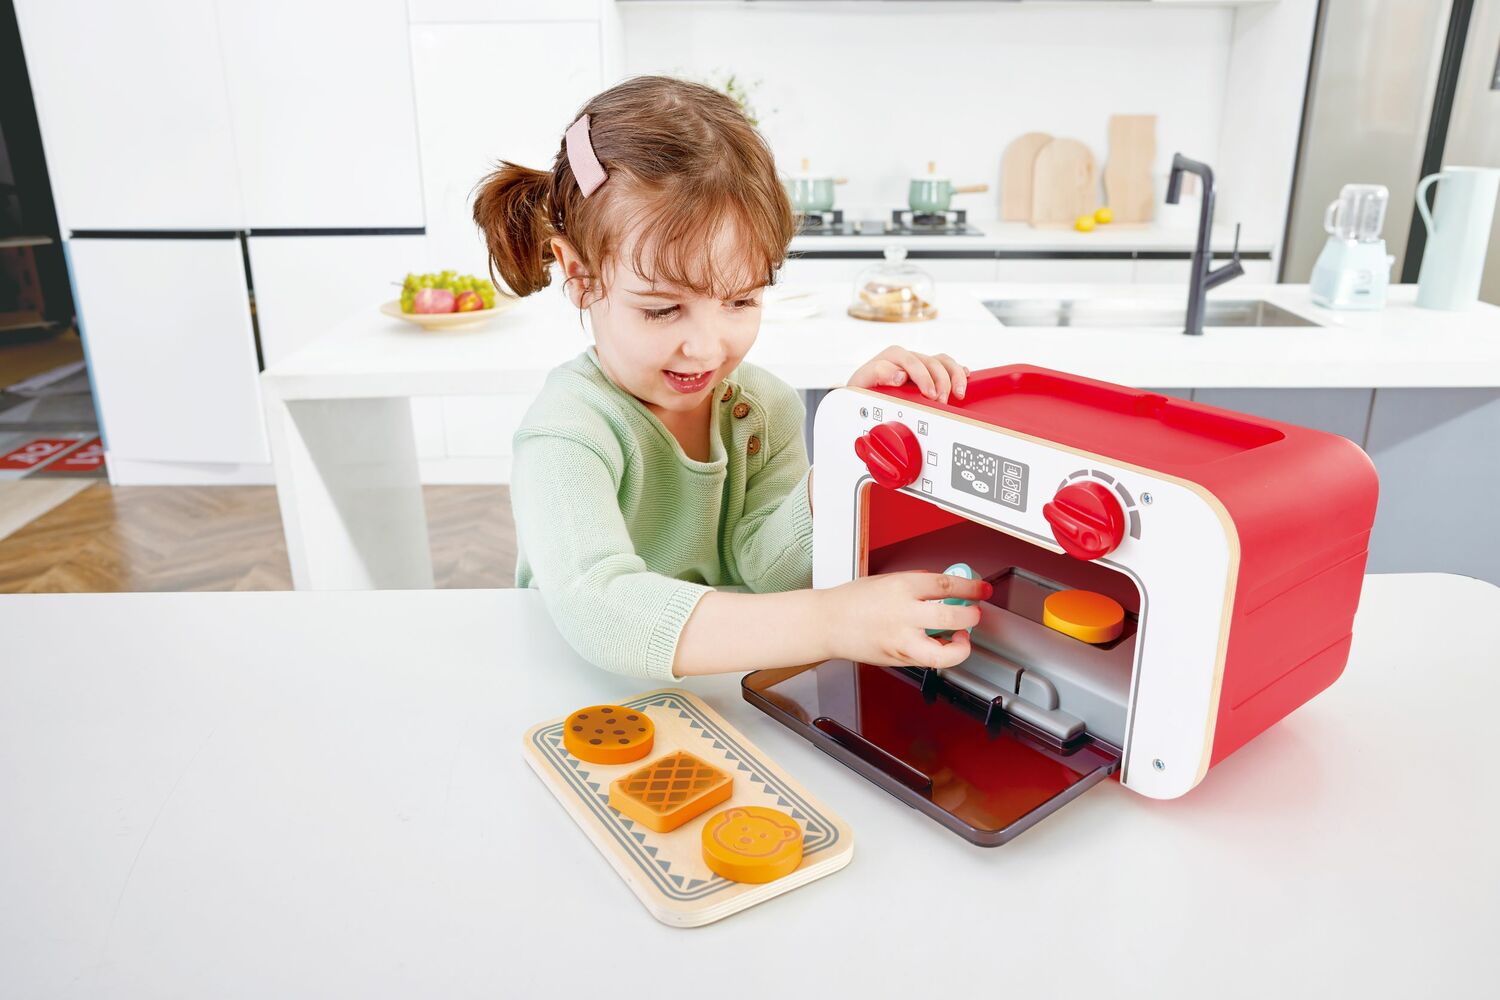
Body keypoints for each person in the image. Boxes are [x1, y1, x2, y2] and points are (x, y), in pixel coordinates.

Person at [473, 76, 988, 681]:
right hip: (576, 692)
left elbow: (766, 569)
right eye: (662, 309)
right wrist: (830, 621)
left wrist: (844, 464)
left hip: (716, 693)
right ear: (580, 275)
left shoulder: (761, 406)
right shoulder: (568, 430)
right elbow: (600, 609)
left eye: (740, 301)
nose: (708, 347)